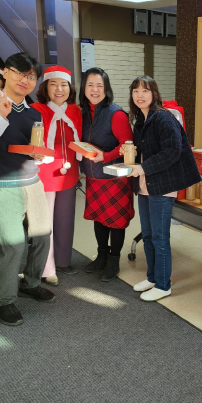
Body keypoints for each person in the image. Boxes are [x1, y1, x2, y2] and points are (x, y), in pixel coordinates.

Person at [0, 52, 54, 326]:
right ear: (5, 72)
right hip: (1, 183)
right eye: (19, 73)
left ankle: (31, 282)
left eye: (31, 76)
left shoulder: (35, 112)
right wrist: (1, 116)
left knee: (41, 237)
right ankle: (5, 300)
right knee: (12, 245)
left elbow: (39, 148)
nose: (24, 80)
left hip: (33, 180)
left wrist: (42, 156)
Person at [124, 76, 200, 301]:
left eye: (145, 90)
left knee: (159, 237)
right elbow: (146, 150)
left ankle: (164, 284)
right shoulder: (140, 119)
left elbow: (172, 151)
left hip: (162, 186)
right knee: (147, 235)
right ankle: (152, 277)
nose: (140, 95)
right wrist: (129, 154)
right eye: (135, 91)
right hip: (145, 184)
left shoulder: (163, 118)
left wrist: (142, 166)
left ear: (154, 94)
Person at [80, 67, 134, 282]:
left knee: (115, 221)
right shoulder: (82, 112)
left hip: (114, 178)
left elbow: (127, 145)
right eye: (90, 85)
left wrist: (105, 156)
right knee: (99, 218)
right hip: (93, 177)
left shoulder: (116, 114)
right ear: (84, 88)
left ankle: (113, 259)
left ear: (107, 89)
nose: (95, 90)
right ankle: (101, 255)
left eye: (99, 85)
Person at [31, 66, 82, 285]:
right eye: (54, 84)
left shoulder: (76, 111)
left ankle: (63, 260)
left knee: (65, 219)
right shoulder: (36, 109)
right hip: (45, 174)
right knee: (45, 223)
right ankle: (46, 267)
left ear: (70, 88)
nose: (59, 89)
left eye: (64, 85)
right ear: (45, 87)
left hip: (70, 174)